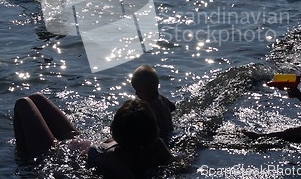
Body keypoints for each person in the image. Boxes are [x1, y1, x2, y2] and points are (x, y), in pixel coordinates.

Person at [13, 93, 178, 178]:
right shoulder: (155, 143)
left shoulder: (115, 156)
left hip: (55, 151)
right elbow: (177, 163)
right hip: (74, 138)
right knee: (36, 98)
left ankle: (24, 157)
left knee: (23, 103)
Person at [131, 65, 176, 140]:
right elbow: (173, 107)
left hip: (162, 138)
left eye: (139, 91)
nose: (136, 93)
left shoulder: (150, 106)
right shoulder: (163, 98)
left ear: (150, 89)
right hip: (171, 132)